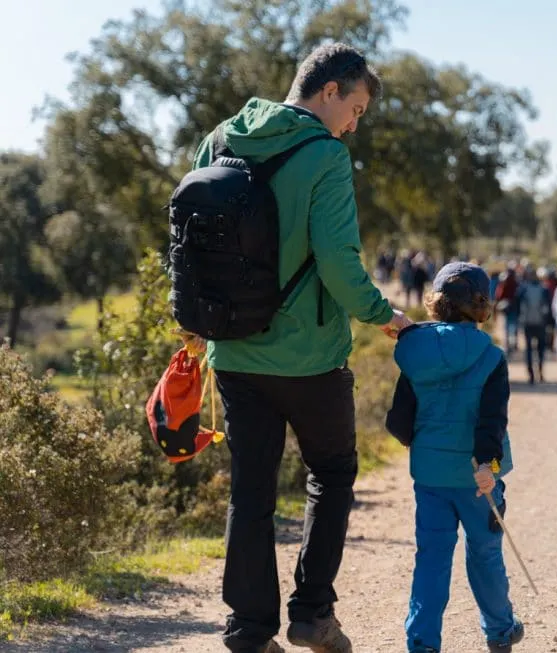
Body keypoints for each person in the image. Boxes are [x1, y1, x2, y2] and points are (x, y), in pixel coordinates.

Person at [190, 43, 413, 653]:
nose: (355, 124)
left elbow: (188, 242)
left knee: (252, 489)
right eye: (357, 108)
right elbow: (338, 261)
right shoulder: (324, 155)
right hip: (310, 356)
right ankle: (312, 615)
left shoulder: (218, 140)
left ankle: (250, 629)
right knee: (334, 472)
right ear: (330, 91)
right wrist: (381, 313)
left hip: (233, 351)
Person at [384, 262, 525, 653]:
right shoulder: (491, 356)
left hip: (430, 475)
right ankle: (500, 631)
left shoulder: (413, 350)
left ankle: (422, 642)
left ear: (438, 302)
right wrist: (485, 464)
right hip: (477, 479)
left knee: (431, 558)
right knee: (484, 553)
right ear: (481, 305)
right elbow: (492, 419)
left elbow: (399, 419)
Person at [516, 268, 551, 384]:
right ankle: (540, 373)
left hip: (527, 323)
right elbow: (549, 308)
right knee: (541, 349)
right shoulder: (544, 289)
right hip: (541, 323)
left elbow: (516, 305)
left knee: (529, 350)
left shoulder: (523, 289)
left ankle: (530, 375)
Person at [494, 267, 520, 353]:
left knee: (508, 327)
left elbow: (499, 295)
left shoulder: (504, 282)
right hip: (514, 308)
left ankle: (508, 344)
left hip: (508, 309)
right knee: (514, 327)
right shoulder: (516, 283)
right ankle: (514, 344)